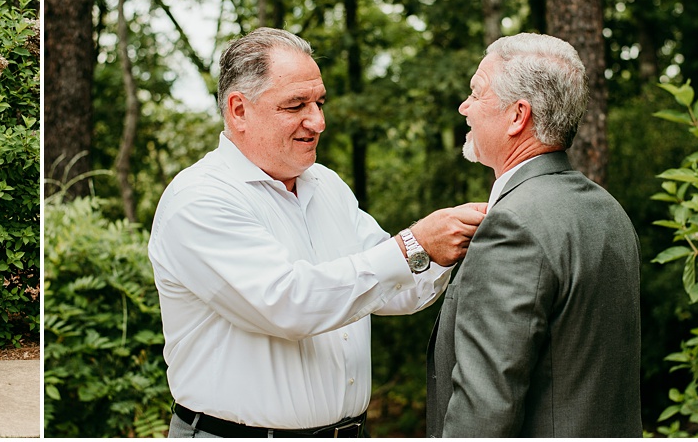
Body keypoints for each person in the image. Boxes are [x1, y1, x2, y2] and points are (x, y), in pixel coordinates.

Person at [148, 27, 486, 438]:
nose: (318, 121)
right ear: (239, 110)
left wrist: (450, 245)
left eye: (319, 103)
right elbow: (288, 304)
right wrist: (415, 244)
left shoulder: (325, 184)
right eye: (296, 105)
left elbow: (396, 287)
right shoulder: (199, 199)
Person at [425, 33, 641, 437]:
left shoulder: (511, 226)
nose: (464, 107)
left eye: (476, 92)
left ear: (517, 116)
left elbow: (484, 410)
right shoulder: (610, 211)